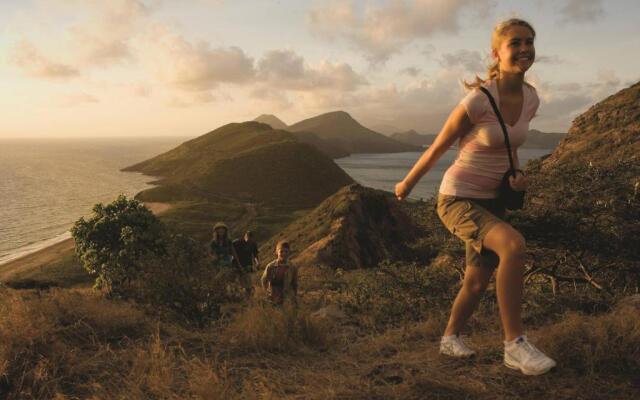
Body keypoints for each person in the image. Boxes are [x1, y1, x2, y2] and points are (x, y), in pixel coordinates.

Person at [394, 18, 556, 376]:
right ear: (497, 53)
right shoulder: (478, 101)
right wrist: (405, 185)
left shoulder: (531, 98)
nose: (525, 48)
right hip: (458, 198)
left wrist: (517, 174)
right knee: (513, 246)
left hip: (493, 199)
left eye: (530, 41)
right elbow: (438, 147)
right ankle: (514, 344)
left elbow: (511, 143)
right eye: (515, 42)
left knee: (478, 279)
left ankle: (450, 338)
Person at [261, 240, 298, 305]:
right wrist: (266, 292)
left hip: (286, 296)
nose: (284, 254)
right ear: (277, 252)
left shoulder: (292, 267)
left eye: (286, 251)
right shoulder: (270, 266)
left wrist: (294, 296)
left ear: (289, 252)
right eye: (281, 251)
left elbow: (294, 283)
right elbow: (264, 280)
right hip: (273, 295)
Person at [233, 231, 260, 296]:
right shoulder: (238, 242)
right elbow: (231, 249)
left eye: (251, 239)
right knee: (239, 283)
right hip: (237, 265)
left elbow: (255, 254)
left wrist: (257, 262)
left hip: (247, 266)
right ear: (245, 237)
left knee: (248, 283)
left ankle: (249, 298)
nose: (249, 241)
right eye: (248, 239)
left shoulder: (253, 244)